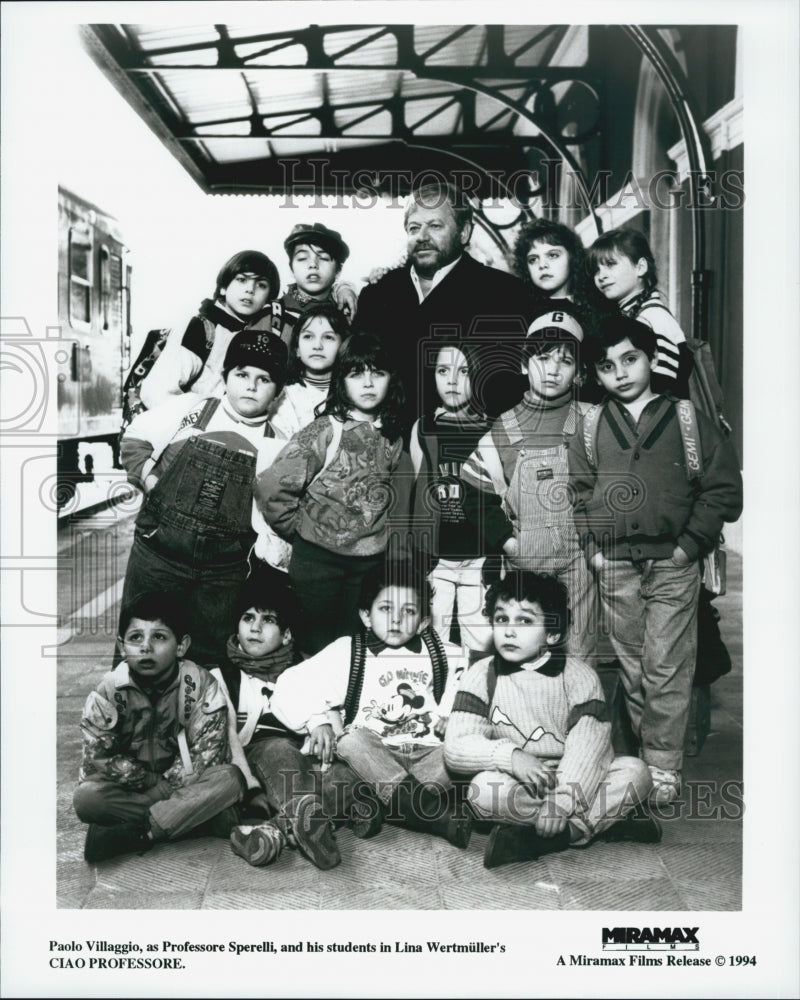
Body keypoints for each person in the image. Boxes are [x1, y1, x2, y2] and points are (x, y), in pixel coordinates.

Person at [568, 315, 743, 805]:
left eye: (630, 359)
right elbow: (580, 495)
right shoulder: (590, 426)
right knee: (633, 666)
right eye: (606, 366)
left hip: (673, 561)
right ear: (595, 375)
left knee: (666, 661)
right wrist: (596, 551)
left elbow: (724, 488)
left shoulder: (687, 419)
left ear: (650, 359)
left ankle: (663, 763)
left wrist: (690, 546)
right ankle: (644, 762)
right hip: (617, 564)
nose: (620, 373)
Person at [444, 572, 657, 869]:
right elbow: (456, 747)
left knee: (636, 773)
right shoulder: (481, 674)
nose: (509, 631)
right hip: (519, 780)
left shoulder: (579, 677)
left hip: (577, 778)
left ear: (553, 634)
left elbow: (588, 749)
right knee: (480, 791)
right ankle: (592, 825)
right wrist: (511, 757)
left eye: (525, 621)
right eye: (502, 619)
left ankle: (551, 833)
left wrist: (562, 802)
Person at [269, 561, 471, 848]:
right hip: (370, 759)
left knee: (463, 753)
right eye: (386, 609)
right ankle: (431, 814)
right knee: (350, 743)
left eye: (409, 611)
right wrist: (317, 721)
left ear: (424, 621)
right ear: (366, 615)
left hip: (427, 758)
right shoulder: (349, 652)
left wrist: (456, 717)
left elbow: (474, 683)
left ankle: (380, 806)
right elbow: (289, 686)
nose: (396, 620)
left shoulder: (443, 653)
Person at [119, 328, 289, 664]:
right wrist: (150, 480)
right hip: (158, 556)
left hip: (224, 573)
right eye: (241, 374)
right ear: (226, 377)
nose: (251, 385)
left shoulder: (279, 444)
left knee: (209, 661)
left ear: (278, 393)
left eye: (263, 378)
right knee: (142, 652)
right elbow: (134, 439)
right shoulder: (192, 409)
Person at [255, 332, 410, 656]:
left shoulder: (393, 437)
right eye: (357, 373)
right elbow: (272, 486)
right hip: (317, 562)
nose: (368, 383)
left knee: (356, 650)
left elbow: (393, 502)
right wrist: (299, 530)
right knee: (312, 648)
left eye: (377, 373)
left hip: (368, 566)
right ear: (342, 380)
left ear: (390, 380)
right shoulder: (325, 429)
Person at [460, 310, 597, 661]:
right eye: (543, 358)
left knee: (578, 656)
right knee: (523, 653)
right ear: (524, 365)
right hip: (524, 560)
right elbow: (475, 496)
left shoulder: (593, 421)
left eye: (565, 361)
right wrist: (509, 543)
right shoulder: (502, 431)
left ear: (579, 373)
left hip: (579, 562)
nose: (552, 369)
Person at [73, 592, 244, 863]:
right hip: (132, 787)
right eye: (136, 638)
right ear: (121, 645)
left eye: (159, 637)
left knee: (231, 779)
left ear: (181, 646)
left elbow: (205, 756)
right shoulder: (107, 691)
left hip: (182, 783)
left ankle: (140, 833)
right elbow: (100, 757)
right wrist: (151, 786)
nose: (146, 647)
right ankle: (192, 818)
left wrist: (164, 789)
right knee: (86, 799)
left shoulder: (200, 684)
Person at [210, 575, 354, 870]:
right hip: (259, 756)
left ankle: (271, 833)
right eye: (248, 617)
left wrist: (336, 744)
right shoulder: (220, 676)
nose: (255, 627)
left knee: (350, 776)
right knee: (280, 751)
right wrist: (249, 786)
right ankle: (318, 830)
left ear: (286, 635)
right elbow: (229, 738)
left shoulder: (306, 666)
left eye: (268, 620)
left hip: (309, 757)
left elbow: (333, 711)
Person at [355, 182, 531, 422]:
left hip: (469, 445)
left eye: (435, 226)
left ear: (464, 232)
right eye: (414, 228)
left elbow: (508, 388)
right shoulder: (376, 296)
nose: (422, 237)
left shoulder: (505, 294)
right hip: (385, 445)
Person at [409, 341, 492, 656]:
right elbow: (416, 493)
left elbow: (499, 491)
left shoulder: (490, 428)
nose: (453, 381)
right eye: (443, 371)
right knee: (434, 639)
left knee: (481, 642)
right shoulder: (424, 426)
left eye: (464, 371)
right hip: (437, 559)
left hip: (478, 557)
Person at [139, 250, 280, 410]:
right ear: (223, 288)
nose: (250, 289)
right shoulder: (201, 327)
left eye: (261, 285)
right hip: (188, 428)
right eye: (241, 280)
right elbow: (155, 393)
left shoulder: (253, 335)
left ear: (268, 300)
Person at [588, 227, 691, 396]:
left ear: (641, 267)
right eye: (596, 270)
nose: (601, 276)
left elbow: (663, 386)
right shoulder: (632, 316)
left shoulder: (652, 317)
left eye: (610, 264)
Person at [268, 302, 348, 440]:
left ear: (343, 346)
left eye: (328, 337)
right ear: (297, 349)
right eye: (308, 337)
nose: (317, 346)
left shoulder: (352, 394)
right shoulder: (280, 395)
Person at [272, 222, 356, 346]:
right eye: (302, 258)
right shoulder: (272, 313)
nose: (313, 264)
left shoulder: (347, 314)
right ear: (291, 269)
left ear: (338, 271)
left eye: (323, 258)